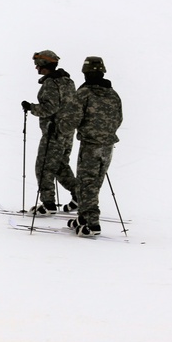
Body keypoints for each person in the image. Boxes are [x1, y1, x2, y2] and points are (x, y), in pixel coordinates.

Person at [64, 56, 123, 237]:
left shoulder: (85, 93)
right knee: (95, 183)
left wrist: (60, 127)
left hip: (90, 145)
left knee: (86, 183)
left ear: (85, 73)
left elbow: (72, 119)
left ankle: (91, 222)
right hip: (108, 145)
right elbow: (118, 118)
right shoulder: (113, 94)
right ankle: (83, 216)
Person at [21, 50, 79, 214]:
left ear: (45, 65)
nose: (36, 68)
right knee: (60, 166)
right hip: (67, 131)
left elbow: (50, 108)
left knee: (44, 166)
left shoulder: (51, 84)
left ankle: (48, 204)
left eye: (38, 64)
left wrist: (31, 108)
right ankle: (80, 195)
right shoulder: (68, 82)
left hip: (54, 132)